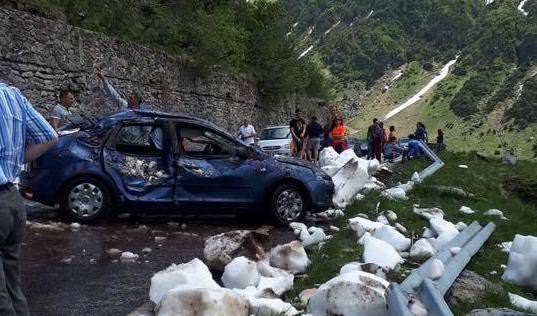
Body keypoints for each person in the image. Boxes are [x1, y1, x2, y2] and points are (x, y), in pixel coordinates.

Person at [0, 82, 58, 316]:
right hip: (12, 201)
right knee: (13, 283)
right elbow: (49, 136)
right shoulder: (12, 95)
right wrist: (11, 165)